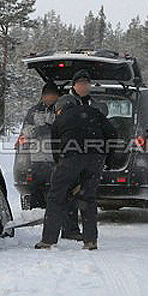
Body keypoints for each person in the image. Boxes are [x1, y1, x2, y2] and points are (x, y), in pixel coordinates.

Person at [35, 92, 118, 250]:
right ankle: (90, 241)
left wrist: (64, 173)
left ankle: (48, 240)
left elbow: (56, 150)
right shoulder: (94, 112)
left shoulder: (60, 120)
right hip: (96, 158)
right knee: (88, 198)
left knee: (55, 197)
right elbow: (113, 133)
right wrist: (108, 158)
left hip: (71, 156)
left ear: (61, 109)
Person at [17, 83, 82, 239]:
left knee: (63, 194)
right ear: (42, 95)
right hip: (37, 158)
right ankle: (38, 227)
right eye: (47, 94)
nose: (50, 98)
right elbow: (25, 131)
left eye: (53, 95)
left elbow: (63, 128)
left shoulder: (62, 109)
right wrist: (38, 130)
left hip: (57, 158)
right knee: (36, 193)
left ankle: (68, 229)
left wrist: (48, 129)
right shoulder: (33, 111)